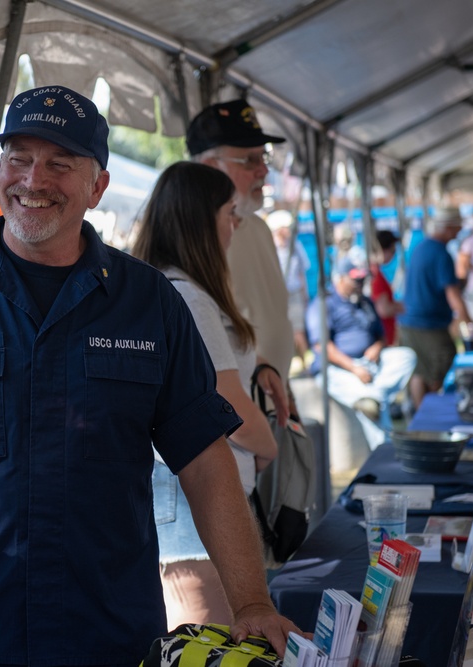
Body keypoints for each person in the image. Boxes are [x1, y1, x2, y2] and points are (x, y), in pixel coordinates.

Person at [0, 86, 301, 667]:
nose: (34, 179)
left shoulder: (150, 304)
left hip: (105, 638)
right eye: (18, 157)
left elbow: (207, 463)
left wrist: (252, 602)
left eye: (60, 163)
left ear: (97, 186)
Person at [132, 161, 284, 627]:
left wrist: (259, 367)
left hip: (181, 497)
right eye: (229, 213)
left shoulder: (160, 287)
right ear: (201, 221)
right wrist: (269, 447)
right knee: (210, 641)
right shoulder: (189, 296)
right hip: (196, 501)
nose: (235, 225)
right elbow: (223, 398)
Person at [186, 100, 297, 400]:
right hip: (235, 420)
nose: (263, 170)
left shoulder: (259, 227)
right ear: (210, 166)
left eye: (263, 157)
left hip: (273, 399)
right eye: (249, 160)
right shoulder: (191, 240)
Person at [305, 254, 416, 449]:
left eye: (362, 279)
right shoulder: (324, 303)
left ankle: (374, 395)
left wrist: (377, 347)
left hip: (370, 364)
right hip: (338, 368)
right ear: (340, 278)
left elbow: (381, 335)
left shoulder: (365, 301)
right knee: (369, 406)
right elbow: (322, 346)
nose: (360, 283)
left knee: (406, 356)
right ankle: (384, 447)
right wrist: (354, 368)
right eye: (355, 279)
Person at [398, 207, 473, 410]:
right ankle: (429, 416)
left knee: (420, 371)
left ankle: (422, 417)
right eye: (457, 226)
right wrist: (470, 323)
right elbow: (452, 294)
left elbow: (442, 286)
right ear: (449, 227)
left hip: (412, 321)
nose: (459, 231)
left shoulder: (422, 247)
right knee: (438, 369)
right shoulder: (441, 253)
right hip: (428, 325)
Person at [268, 209, 312, 373]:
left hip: (293, 294)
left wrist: (304, 294)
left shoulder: (295, 246)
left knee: (298, 328)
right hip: (276, 296)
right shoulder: (270, 246)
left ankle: (305, 359)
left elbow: (301, 273)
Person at [370, 230, 405, 346]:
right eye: (392, 249)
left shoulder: (374, 273)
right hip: (383, 338)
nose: (394, 253)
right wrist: (404, 307)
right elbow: (383, 310)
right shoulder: (375, 277)